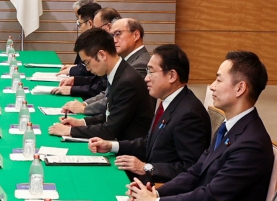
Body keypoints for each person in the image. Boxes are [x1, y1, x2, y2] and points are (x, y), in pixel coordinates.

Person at [128, 51, 274, 201]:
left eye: (218, 80)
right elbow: (196, 171)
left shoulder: (251, 143)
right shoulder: (230, 127)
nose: (211, 87)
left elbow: (211, 195)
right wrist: (156, 193)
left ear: (240, 88)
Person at [88, 44, 209, 183]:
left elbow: (192, 168)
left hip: (163, 187)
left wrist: (146, 168)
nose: (146, 78)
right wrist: (111, 146)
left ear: (172, 75)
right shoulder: (169, 102)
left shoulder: (189, 114)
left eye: (151, 72)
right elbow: (150, 143)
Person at [47, 28, 152, 141]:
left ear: (102, 55)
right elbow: (110, 115)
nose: (87, 68)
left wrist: (69, 131)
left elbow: (110, 130)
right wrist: (81, 122)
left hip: (127, 146)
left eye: (87, 62)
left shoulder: (127, 82)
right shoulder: (119, 72)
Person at [55, 7, 122, 100]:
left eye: (96, 27)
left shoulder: (117, 51)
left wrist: (82, 104)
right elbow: (101, 82)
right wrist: (76, 80)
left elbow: (102, 88)